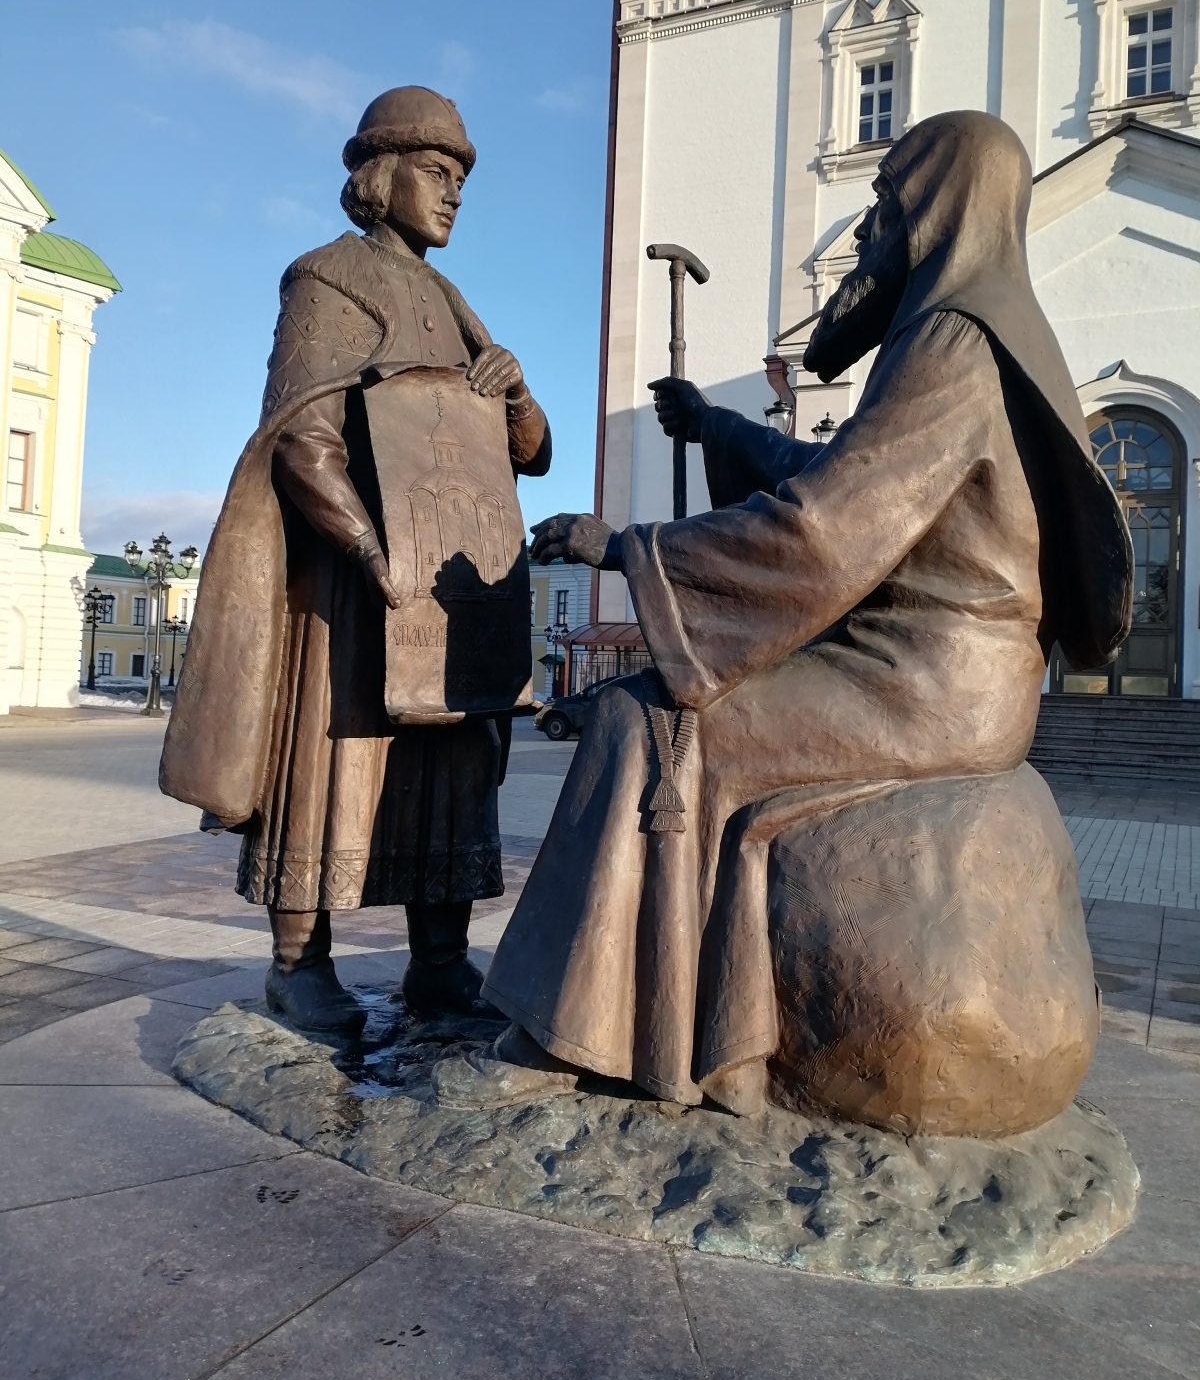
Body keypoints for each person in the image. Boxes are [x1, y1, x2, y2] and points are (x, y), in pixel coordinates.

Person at [480, 110, 1130, 1114]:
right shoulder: (973, 329)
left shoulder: (954, 342)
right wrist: (726, 430)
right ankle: (665, 1032)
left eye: (880, 215)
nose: (865, 244)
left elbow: (826, 531)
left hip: (925, 682)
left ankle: (580, 1037)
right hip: (932, 669)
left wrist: (627, 547)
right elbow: (850, 483)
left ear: (933, 214)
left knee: (646, 720)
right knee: (651, 711)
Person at [161, 87, 550, 1036]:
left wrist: (514, 394)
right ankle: (298, 964)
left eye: (461, 178)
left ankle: (440, 963)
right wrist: (375, 554)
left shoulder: (456, 306)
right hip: (347, 585)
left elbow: (531, 453)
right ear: (381, 178)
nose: (454, 194)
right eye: (436, 172)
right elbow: (301, 440)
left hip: (446, 594)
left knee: (451, 768)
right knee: (335, 768)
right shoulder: (327, 279)